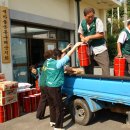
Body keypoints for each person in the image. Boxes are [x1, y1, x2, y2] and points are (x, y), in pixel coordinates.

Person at [43, 42, 82, 130]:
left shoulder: (48, 62)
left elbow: (58, 53)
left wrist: (65, 48)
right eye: (60, 56)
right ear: (57, 57)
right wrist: (75, 46)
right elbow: (67, 56)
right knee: (59, 107)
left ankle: (52, 122)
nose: (62, 56)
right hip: (54, 88)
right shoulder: (57, 64)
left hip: (47, 87)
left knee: (52, 105)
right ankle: (58, 127)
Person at [78, 7, 110, 76]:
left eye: (92, 16)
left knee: (106, 69)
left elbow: (101, 34)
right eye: (89, 17)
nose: (91, 18)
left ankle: (106, 84)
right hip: (88, 50)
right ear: (85, 16)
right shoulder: (82, 23)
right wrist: (82, 38)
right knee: (88, 70)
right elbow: (80, 34)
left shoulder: (98, 21)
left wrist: (89, 37)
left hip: (100, 49)